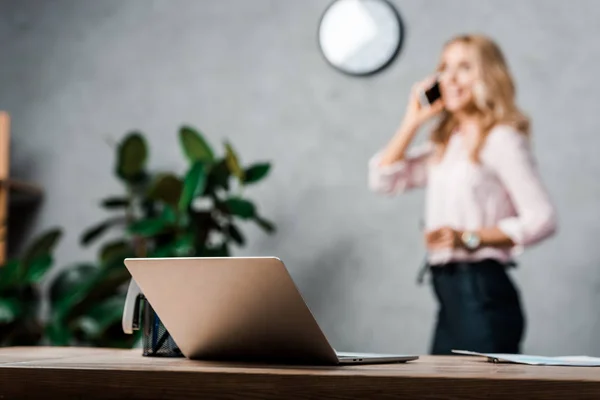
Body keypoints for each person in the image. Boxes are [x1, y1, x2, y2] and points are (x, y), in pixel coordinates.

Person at [368, 34, 557, 355]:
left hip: (482, 291)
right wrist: (413, 120)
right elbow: (382, 179)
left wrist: (468, 238)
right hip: (448, 294)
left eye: (464, 67)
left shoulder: (501, 140)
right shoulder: (447, 144)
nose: (450, 78)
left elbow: (542, 219)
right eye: (445, 67)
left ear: (488, 75)